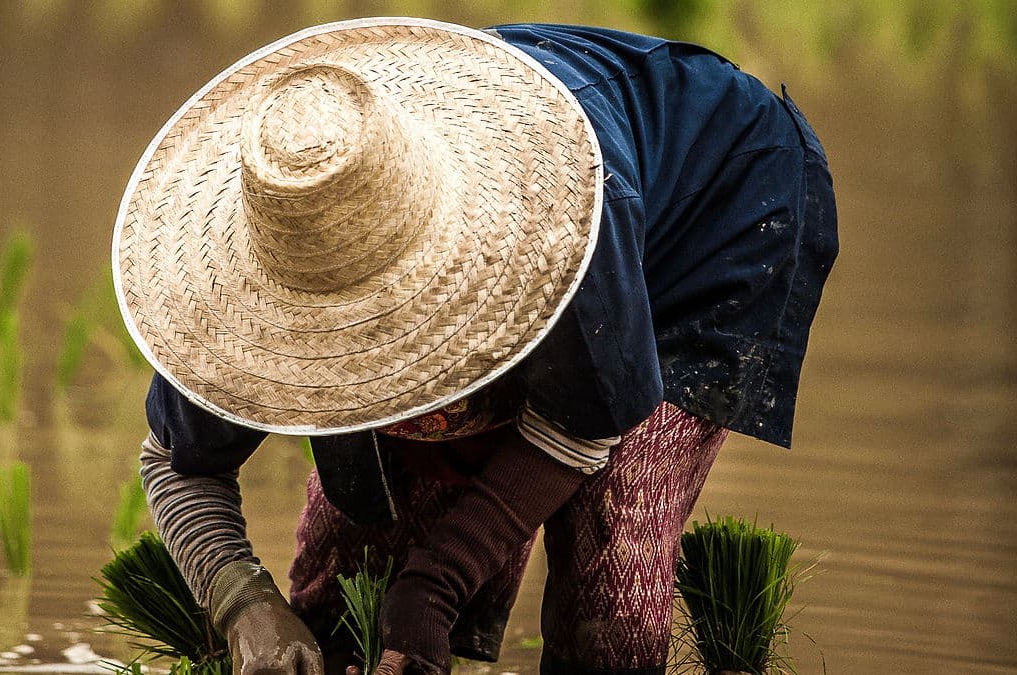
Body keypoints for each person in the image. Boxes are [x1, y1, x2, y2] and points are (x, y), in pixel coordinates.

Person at [112, 18, 837, 675]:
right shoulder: (244, 282)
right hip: (540, 190)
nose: (357, 349)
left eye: (379, 322)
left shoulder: (556, 231)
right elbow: (175, 462)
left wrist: (439, 581)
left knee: (610, 569)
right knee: (355, 566)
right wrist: (245, 603)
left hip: (708, 214)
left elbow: (587, 422)